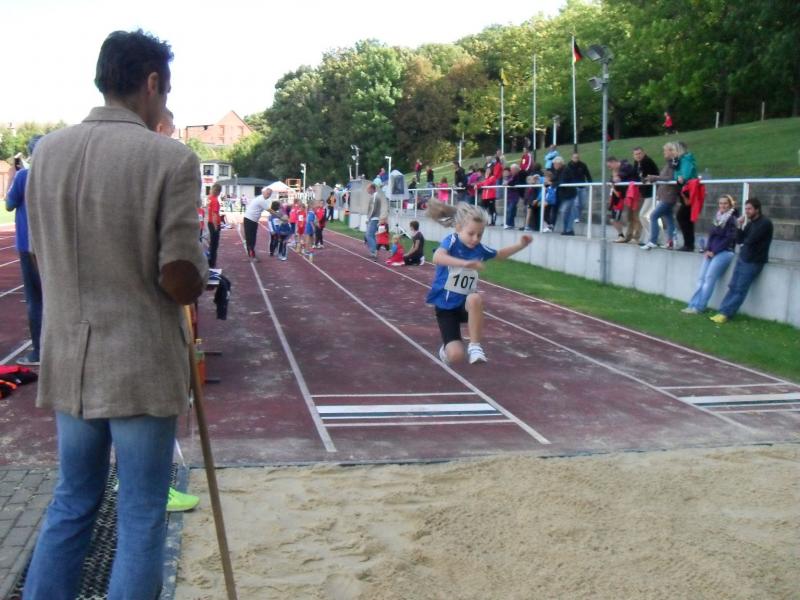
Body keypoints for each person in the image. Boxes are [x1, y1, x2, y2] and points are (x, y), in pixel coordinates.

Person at [23, 29, 207, 600]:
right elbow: (178, 276)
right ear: (151, 83)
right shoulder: (171, 158)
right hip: (139, 363)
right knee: (143, 510)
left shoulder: (46, 152)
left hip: (69, 357)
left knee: (72, 499)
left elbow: (39, 257)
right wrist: (196, 271)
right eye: (166, 89)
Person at [425, 202, 532, 364]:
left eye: (479, 235)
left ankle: (475, 346)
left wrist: (521, 245)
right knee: (456, 356)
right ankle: (447, 350)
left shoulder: (479, 249)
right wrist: (465, 263)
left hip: (466, 305)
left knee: (475, 298)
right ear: (458, 228)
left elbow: (500, 255)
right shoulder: (452, 241)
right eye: (471, 233)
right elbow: (437, 257)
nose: (475, 239)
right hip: (445, 306)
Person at [5, 135, 43, 367]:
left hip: (29, 244)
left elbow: (9, 204)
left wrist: (12, 177)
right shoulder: (56, 174)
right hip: (54, 243)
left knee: (34, 299)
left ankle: (38, 351)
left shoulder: (23, 176)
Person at [710, 198, 773, 323]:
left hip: (754, 261)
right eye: (746, 209)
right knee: (733, 286)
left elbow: (750, 240)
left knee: (740, 289)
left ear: (757, 209)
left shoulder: (765, 223)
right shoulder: (750, 224)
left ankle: (726, 314)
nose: (747, 211)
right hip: (743, 258)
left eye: (749, 209)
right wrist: (739, 226)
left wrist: (744, 239)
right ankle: (722, 311)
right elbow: (739, 240)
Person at [682, 195, 738, 314]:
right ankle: (692, 304)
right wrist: (708, 249)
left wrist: (714, 251)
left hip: (724, 252)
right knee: (701, 278)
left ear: (730, 205)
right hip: (711, 251)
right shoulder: (717, 217)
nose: (722, 206)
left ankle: (700, 307)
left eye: (725, 203)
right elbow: (711, 235)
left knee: (709, 278)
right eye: (721, 203)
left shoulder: (732, 219)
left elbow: (729, 239)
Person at [641, 142, 680, 250]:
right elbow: (665, 177)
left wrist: (655, 178)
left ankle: (653, 241)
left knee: (653, 216)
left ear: (671, 151)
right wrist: (653, 177)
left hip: (668, 196)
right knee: (669, 219)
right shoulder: (670, 163)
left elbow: (670, 178)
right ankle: (671, 242)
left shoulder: (673, 164)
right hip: (666, 195)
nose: (664, 153)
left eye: (665, 151)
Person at [673, 140, 698, 251]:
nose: (673, 152)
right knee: (686, 217)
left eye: (674, 149)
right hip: (685, 191)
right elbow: (676, 176)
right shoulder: (680, 160)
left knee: (682, 216)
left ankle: (689, 244)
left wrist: (680, 177)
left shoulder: (685, 159)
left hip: (688, 191)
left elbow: (685, 175)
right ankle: (689, 244)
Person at [606, 156, 638, 242]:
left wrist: (614, 179)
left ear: (614, 162)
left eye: (609, 166)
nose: (609, 168)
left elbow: (617, 179)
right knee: (618, 218)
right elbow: (612, 180)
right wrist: (613, 180)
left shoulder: (626, 167)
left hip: (632, 194)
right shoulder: (615, 171)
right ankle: (623, 236)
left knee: (634, 216)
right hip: (620, 196)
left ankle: (634, 237)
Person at [551, 156, 580, 236]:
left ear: (560, 164)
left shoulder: (565, 170)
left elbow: (562, 181)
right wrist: (550, 182)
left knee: (564, 211)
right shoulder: (558, 171)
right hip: (564, 195)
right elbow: (555, 179)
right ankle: (567, 229)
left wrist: (552, 184)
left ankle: (568, 229)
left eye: (555, 164)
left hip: (569, 194)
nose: (554, 166)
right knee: (566, 212)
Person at [243, 187, 273, 261]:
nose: (268, 195)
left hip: (253, 220)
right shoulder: (261, 200)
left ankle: (251, 255)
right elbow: (270, 210)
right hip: (249, 220)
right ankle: (252, 256)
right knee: (250, 238)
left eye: (269, 194)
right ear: (263, 193)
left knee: (251, 238)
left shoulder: (262, 199)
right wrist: (281, 217)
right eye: (267, 193)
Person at [364, 182, 389, 260]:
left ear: (372, 189)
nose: (367, 190)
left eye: (368, 189)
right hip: (374, 218)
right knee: (371, 235)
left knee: (369, 235)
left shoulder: (375, 196)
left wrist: (368, 217)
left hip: (374, 218)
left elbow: (373, 208)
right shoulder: (374, 196)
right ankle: (374, 251)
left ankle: (374, 250)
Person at [569, 153, 592, 224]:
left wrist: (590, 183)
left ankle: (578, 216)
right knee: (576, 203)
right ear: (572, 158)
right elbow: (566, 176)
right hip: (574, 187)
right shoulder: (569, 166)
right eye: (574, 157)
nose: (576, 159)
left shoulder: (583, 165)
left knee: (582, 204)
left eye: (577, 157)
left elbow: (587, 174)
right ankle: (576, 217)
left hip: (582, 186)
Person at [206, 183, 222, 267]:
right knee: (214, 245)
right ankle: (212, 263)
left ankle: (210, 261)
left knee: (211, 244)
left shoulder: (209, 198)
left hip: (210, 222)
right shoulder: (215, 200)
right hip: (214, 224)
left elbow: (208, 210)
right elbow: (214, 214)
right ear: (218, 192)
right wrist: (216, 227)